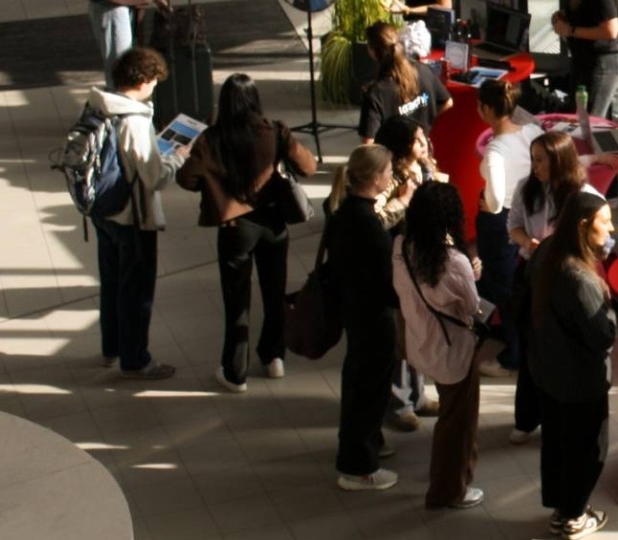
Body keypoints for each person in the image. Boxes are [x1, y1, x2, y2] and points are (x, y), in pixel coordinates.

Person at [177, 73, 318, 392]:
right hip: (273, 223)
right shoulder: (276, 131)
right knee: (274, 292)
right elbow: (308, 167)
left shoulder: (211, 138)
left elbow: (187, 179)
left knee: (236, 300)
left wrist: (212, 184)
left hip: (235, 228)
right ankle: (273, 357)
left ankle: (235, 371)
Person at [504, 131, 612, 446]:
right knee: (532, 346)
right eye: (533, 159)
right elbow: (513, 225)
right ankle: (526, 418)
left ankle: (558, 414)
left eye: (541, 160)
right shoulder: (527, 188)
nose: (534, 166)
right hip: (533, 274)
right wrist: (528, 243)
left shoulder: (584, 196)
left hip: (570, 280)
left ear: (560, 161)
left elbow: (605, 241)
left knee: (565, 345)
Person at [391, 182, 487, 509]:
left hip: (420, 341)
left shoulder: (401, 246)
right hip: (453, 351)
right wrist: (473, 272)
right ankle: (449, 489)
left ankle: (449, 473)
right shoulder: (455, 261)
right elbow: (472, 307)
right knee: (457, 423)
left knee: (451, 413)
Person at [88, 47, 182, 380]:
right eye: (154, 81)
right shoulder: (135, 121)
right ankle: (136, 359)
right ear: (142, 80)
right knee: (136, 291)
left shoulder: (100, 107)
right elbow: (154, 177)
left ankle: (111, 348)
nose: (154, 86)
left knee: (112, 283)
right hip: (132, 216)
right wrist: (178, 157)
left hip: (103, 209)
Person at [528, 192, 617, 539]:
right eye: (604, 222)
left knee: (557, 443)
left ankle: (560, 509)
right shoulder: (581, 281)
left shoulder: (548, 250)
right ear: (583, 225)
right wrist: (608, 304)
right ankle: (575, 516)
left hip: (547, 369)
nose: (611, 228)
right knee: (588, 449)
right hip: (580, 380)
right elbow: (603, 336)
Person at [329, 145, 404, 492]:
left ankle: (364, 448)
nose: (392, 176)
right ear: (375, 178)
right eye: (388, 171)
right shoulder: (366, 224)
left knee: (360, 385)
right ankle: (359, 467)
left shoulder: (345, 211)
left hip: (355, 312)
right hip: (373, 316)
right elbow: (383, 280)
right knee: (369, 391)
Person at [374, 115, 446, 429]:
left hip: (421, 262)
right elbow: (375, 219)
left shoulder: (424, 167)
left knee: (418, 331)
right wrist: (404, 201)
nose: (423, 143)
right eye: (416, 140)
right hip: (398, 266)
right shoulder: (389, 177)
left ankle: (417, 395)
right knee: (400, 336)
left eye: (423, 137)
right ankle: (399, 402)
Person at [474, 78, 544, 380]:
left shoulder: (495, 151)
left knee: (503, 287)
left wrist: (488, 202)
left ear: (486, 110)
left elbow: (494, 199)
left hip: (500, 223)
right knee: (519, 281)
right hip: (530, 213)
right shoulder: (531, 131)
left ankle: (512, 355)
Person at [359, 21, 453, 145]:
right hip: (422, 149)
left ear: (373, 51)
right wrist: (423, 125)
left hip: (393, 155)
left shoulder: (375, 93)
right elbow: (447, 102)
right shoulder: (423, 70)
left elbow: (368, 144)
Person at [550, 0, 618, 118]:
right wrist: (563, 16)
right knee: (577, 116)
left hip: (602, 62)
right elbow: (588, 13)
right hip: (582, 59)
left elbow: (611, 31)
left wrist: (570, 30)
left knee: (589, 119)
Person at [88, 0, 168, 89]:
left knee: (124, 64)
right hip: (113, 7)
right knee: (120, 66)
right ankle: (118, 94)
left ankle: (122, 92)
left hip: (120, 8)